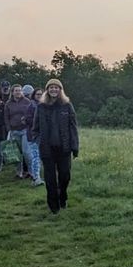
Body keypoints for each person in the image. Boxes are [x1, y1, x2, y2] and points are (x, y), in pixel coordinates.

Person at [35, 78, 79, 214]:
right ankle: (53, 205)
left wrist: (75, 146)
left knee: (65, 176)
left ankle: (63, 196)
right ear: (47, 90)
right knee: (50, 179)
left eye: (56, 87)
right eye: (51, 87)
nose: (53, 90)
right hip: (47, 148)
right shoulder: (41, 107)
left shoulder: (67, 106)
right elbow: (35, 128)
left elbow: (73, 127)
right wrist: (39, 141)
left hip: (64, 148)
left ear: (60, 90)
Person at [4, 84, 42, 185]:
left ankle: (31, 172)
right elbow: (6, 117)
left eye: (20, 91)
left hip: (25, 130)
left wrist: (26, 120)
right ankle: (19, 172)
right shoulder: (8, 103)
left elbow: (30, 113)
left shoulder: (27, 102)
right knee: (16, 153)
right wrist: (9, 129)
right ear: (12, 92)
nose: (18, 92)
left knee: (26, 152)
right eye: (16, 91)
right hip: (14, 130)